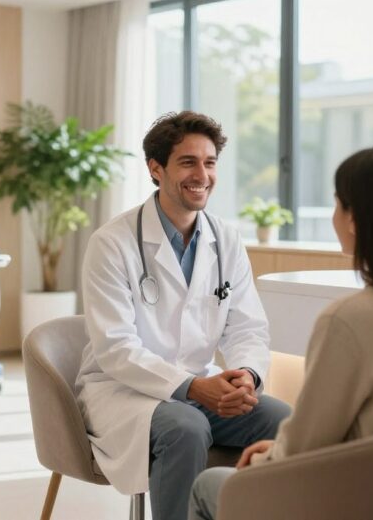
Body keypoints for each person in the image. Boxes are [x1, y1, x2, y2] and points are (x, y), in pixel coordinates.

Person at [188, 144, 373, 520]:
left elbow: (306, 449)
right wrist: (277, 447)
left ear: (354, 218)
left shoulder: (351, 320)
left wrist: (270, 456)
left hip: (361, 503)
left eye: (337, 203)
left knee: (208, 486)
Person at [75, 111, 291, 520]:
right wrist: (192, 388)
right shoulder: (112, 243)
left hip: (202, 385)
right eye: (188, 162)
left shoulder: (225, 239)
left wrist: (246, 375)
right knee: (186, 429)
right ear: (156, 169)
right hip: (124, 391)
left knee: (288, 423)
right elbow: (116, 348)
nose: (202, 174)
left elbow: (247, 325)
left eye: (210, 163)